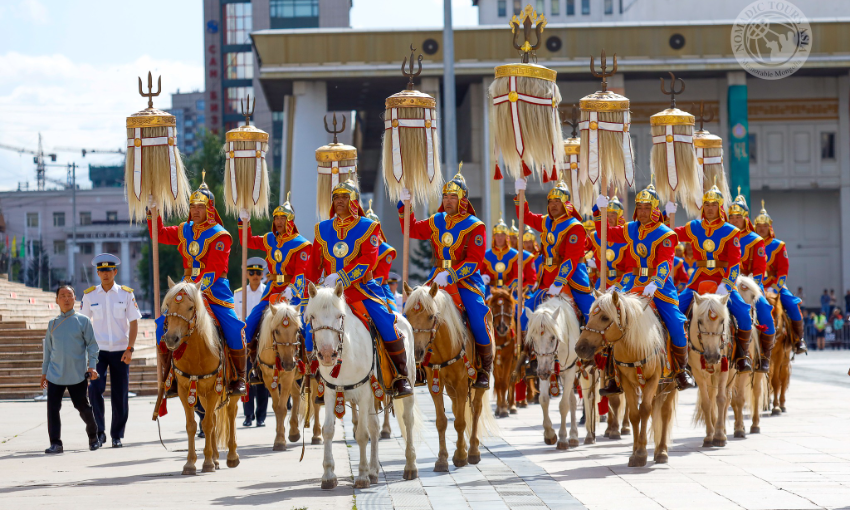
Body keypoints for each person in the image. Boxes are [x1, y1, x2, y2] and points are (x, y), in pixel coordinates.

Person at [309, 179, 413, 397]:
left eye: (344, 197)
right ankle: (313, 378)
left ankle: (401, 376)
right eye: (336, 197)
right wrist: (308, 292)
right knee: (304, 327)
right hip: (328, 295)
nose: (339, 201)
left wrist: (341, 277)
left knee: (387, 324)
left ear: (354, 201)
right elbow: (312, 266)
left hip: (361, 291)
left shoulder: (369, 227)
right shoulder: (322, 229)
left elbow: (369, 260)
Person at [148, 174, 248, 396]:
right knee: (161, 325)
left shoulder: (221, 235)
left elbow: (213, 269)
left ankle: (240, 378)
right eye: (192, 206)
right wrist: (154, 212)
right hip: (186, 286)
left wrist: (194, 289)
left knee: (233, 327)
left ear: (209, 209)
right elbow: (160, 234)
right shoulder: (185, 229)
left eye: (200, 207)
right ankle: (169, 376)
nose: (195, 210)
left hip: (214, 289)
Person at [398, 170, 493, 389]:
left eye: (453, 197)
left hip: (465, 281)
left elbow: (474, 262)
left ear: (463, 200)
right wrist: (406, 205)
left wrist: (450, 274)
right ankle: (416, 366)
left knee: (478, 318)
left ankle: (483, 370)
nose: (448, 201)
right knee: (414, 312)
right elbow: (409, 229)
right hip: (436, 281)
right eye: (445, 196)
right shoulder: (436, 220)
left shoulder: (475, 225)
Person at [595, 184, 694, 392]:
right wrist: (598, 212)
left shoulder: (665, 234)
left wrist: (655, 282)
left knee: (676, 323)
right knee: (612, 319)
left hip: (659, 286)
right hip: (633, 283)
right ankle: (613, 375)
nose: (642, 212)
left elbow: (666, 263)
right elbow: (606, 235)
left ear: (655, 210)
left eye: (646, 208)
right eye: (639, 207)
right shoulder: (630, 228)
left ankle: (681, 370)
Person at [668, 184, 754, 373]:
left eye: (713, 205)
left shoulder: (731, 231)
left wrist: (727, 285)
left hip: (722, 281)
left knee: (744, 315)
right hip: (698, 280)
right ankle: (676, 360)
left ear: (720, 207)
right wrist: (668, 217)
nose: (709, 208)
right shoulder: (694, 226)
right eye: (706, 204)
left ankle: (742, 356)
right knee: (675, 312)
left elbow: (734, 262)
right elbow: (670, 236)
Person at [236, 193, 311, 380]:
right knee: (250, 322)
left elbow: (300, 275)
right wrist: (244, 220)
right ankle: (250, 364)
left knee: (305, 329)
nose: (278, 221)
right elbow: (247, 241)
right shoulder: (270, 239)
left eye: (283, 218)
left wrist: (290, 290)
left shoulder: (302, 245)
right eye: (276, 217)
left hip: (293, 292)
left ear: (291, 220)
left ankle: (311, 365)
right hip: (272, 290)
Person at [80, 253, 142, 448]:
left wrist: (130, 349)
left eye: (109, 270)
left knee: (120, 393)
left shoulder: (126, 294)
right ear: (97, 273)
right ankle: (99, 433)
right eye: (101, 271)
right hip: (97, 352)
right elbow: (83, 323)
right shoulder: (90, 295)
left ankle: (117, 435)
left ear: (115, 272)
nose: (105, 274)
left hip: (120, 350)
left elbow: (133, 323)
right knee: (95, 390)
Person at [516, 179, 594, 318]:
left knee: (591, 313)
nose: (553, 204)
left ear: (566, 203)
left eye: (557, 201)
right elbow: (525, 217)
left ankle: (602, 339)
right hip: (547, 278)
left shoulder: (575, 227)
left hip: (572, 278)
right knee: (524, 316)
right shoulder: (546, 221)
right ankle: (522, 340)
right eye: (551, 201)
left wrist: (559, 282)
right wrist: (520, 195)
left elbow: (571, 259)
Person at [42, 285, 100, 454]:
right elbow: (48, 350)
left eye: (69, 295)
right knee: (52, 409)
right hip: (55, 375)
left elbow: (92, 346)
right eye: (62, 295)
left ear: (75, 298)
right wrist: (44, 373)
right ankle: (55, 443)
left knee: (83, 408)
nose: (66, 299)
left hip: (77, 374)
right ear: (57, 300)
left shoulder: (83, 321)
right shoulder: (52, 324)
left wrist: (92, 367)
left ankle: (93, 436)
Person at [727, 193, 776, 373]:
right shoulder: (722, 235)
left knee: (764, 309)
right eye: (731, 217)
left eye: (738, 217)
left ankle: (765, 357)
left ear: (745, 218)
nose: (734, 220)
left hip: (750, 285)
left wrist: (748, 286)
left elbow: (759, 270)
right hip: (724, 283)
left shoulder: (755, 240)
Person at [754, 202, 807, 354]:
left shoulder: (778, 245)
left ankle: (798, 339)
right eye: (758, 226)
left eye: (764, 226)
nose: (761, 228)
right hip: (755, 285)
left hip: (774, 285)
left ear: (769, 227)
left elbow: (783, 271)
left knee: (791, 304)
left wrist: (774, 288)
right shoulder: (750, 243)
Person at [234, 257, 270, 427]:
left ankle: (261, 416)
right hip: (246, 341)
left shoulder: (268, 292)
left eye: (258, 272)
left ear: (263, 274)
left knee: (262, 378)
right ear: (246, 274)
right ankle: (248, 415)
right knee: (246, 377)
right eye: (251, 272)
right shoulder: (238, 294)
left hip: (262, 338)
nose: (255, 276)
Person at [586, 194, 631, 291]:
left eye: (613, 215)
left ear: (619, 216)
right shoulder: (594, 236)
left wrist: (619, 286)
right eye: (607, 215)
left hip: (622, 282)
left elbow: (631, 268)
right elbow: (581, 248)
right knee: (590, 303)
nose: (609, 218)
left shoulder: (627, 235)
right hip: (602, 281)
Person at [364, 201, 399, 313]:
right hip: (356, 286)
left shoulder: (386, 250)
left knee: (394, 317)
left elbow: (380, 277)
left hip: (377, 288)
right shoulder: (356, 245)